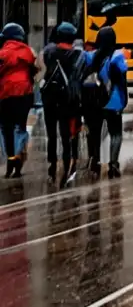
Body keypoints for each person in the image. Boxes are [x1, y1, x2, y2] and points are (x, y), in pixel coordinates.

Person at [80, 26, 128, 179]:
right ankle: (113, 164)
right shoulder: (117, 57)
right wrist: (123, 100)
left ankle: (95, 162)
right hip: (113, 101)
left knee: (93, 133)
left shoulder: (88, 56)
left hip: (93, 102)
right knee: (116, 133)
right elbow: (122, 81)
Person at [41, 22, 83, 186]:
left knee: (51, 134)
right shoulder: (78, 55)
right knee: (66, 135)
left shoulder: (49, 52)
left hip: (50, 97)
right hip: (67, 99)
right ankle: (67, 166)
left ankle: (52, 165)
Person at [0, 23, 39, 178]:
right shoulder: (28, 52)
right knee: (20, 126)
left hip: (7, 93)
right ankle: (18, 157)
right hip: (25, 94)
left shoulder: (3, 53)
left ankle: (10, 159)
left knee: (5, 127)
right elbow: (34, 70)